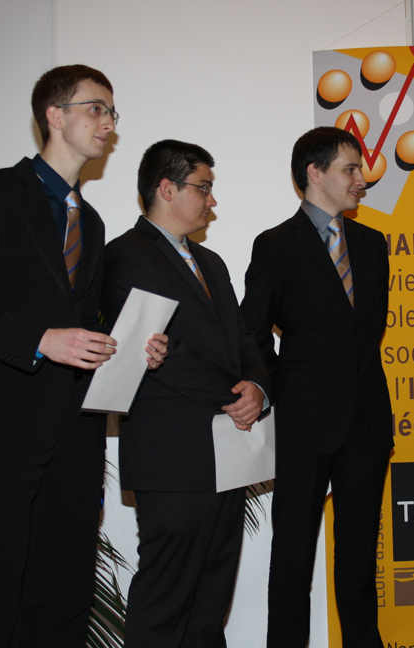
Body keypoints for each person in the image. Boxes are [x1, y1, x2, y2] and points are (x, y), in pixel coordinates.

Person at [0, 65, 167, 648]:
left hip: (77, 430)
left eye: (113, 113)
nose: (109, 123)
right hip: (7, 423)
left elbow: (85, 325)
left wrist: (130, 348)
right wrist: (41, 339)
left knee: (66, 588)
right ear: (54, 115)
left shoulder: (92, 221)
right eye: (96, 108)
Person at [100, 139, 270, 648]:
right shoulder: (124, 256)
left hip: (229, 454)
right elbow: (155, 352)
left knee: (210, 603)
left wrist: (257, 387)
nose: (212, 201)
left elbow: (244, 339)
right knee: (165, 601)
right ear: (167, 188)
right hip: (172, 458)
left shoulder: (211, 262)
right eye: (204, 187)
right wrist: (232, 394)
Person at [240, 127, 393, 648]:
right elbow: (251, 331)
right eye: (350, 169)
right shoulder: (276, 245)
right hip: (305, 423)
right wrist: (275, 388)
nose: (361, 179)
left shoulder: (371, 244)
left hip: (367, 421)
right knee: (292, 560)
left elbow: (367, 331)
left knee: (359, 563)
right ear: (315, 172)